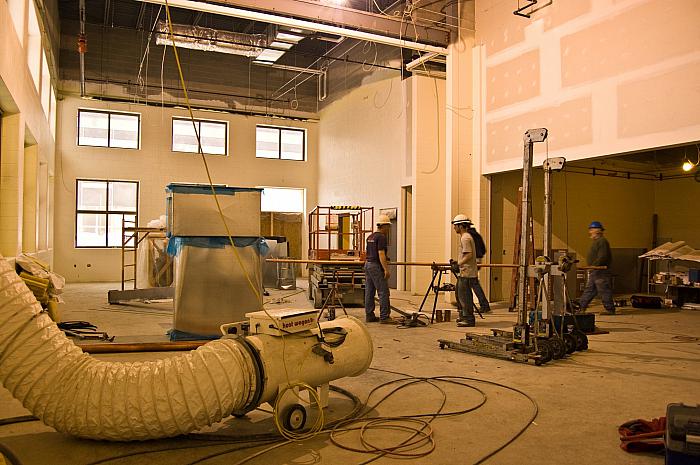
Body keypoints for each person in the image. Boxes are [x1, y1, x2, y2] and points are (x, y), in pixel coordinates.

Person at [364, 214, 396, 324]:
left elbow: (370, 252)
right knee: (383, 292)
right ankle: (384, 317)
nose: (389, 229)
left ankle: (369, 315)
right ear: (384, 226)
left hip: (367, 265)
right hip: (376, 266)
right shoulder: (381, 237)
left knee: (369, 291)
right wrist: (386, 269)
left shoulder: (370, 237)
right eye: (388, 226)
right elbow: (381, 253)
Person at [579, 221, 615, 314]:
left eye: (591, 230)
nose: (590, 232)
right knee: (590, 290)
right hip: (596, 270)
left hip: (601, 271)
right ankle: (581, 307)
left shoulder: (602, 241)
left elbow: (602, 256)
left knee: (604, 290)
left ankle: (610, 309)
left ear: (597, 231)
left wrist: (594, 266)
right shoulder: (597, 242)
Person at [450, 214, 478, 327]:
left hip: (467, 272)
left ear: (461, 226)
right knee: (459, 294)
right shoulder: (466, 237)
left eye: (455, 225)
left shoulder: (465, 237)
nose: (454, 228)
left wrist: (458, 264)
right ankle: (463, 316)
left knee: (464, 296)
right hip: (465, 271)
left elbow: (469, 255)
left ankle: (468, 319)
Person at [465, 222, 491, 313]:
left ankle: (483, 305)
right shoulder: (477, 235)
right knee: (473, 282)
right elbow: (483, 249)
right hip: (478, 259)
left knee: (473, 283)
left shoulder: (468, 236)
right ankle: (466, 304)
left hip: (473, 260)